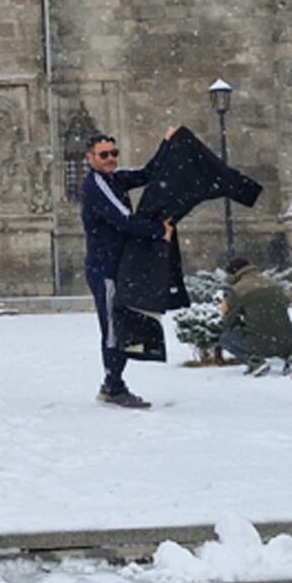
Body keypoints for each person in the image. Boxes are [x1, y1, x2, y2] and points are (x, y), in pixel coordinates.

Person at [79, 132, 173, 408]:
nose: (111, 159)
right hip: (105, 268)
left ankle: (113, 383)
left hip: (118, 266)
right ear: (90, 158)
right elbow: (123, 218)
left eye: (114, 153)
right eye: (104, 155)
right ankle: (113, 386)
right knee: (112, 328)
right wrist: (158, 232)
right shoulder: (96, 186)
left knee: (120, 325)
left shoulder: (114, 179)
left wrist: (167, 143)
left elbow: (147, 174)